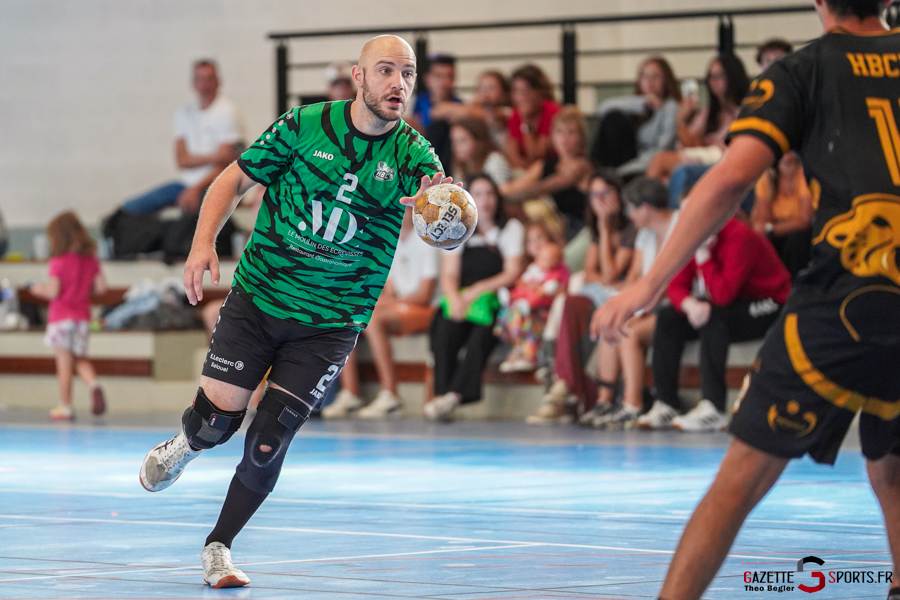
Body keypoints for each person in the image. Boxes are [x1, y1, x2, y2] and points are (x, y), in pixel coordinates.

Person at [594, 1, 900, 598]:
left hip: (852, 295)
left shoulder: (802, 71)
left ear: (819, 3)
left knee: (738, 482)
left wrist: (647, 283)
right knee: (890, 463)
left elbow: (731, 178)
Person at [138, 35, 447, 589]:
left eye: (408, 72)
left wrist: (439, 213)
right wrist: (202, 242)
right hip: (259, 299)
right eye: (385, 71)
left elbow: (441, 230)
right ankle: (187, 446)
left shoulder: (416, 157)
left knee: (267, 440)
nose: (398, 83)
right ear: (358, 77)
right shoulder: (303, 125)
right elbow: (232, 179)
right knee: (214, 426)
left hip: (330, 324)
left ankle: (219, 547)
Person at [643, 217, 791, 432]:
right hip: (732, 301)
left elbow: (723, 295)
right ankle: (667, 403)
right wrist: (690, 304)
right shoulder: (696, 234)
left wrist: (703, 257)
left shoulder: (739, 236)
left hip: (771, 302)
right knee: (668, 317)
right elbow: (676, 286)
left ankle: (713, 407)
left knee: (715, 316)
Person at [526, 170, 638, 425]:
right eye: (594, 195)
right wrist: (603, 274)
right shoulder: (595, 231)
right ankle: (562, 383)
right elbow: (590, 273)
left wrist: (605, 227)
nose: (599, 200)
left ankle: (559, 376)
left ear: (618, 196)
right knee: (567, 301)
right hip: (601, 294)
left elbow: (611, 271)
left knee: (574, 302)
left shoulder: (631, 228)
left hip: (620, 299)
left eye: (605, 193)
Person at [323, 205, 440, 419]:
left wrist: (390, 304)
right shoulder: (391, 243)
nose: (401, 213)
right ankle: (350, 393)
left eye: (407, 210)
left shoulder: (427, 241)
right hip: (401, 306)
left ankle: (391, 395)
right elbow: (390, 290)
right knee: (349, 314)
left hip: (427, 310)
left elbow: (425, 295)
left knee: (373, 319)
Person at [578, 177, 678, 430]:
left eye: (630, 208)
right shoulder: (646, 234)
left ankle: (633, 404)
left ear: (645, 207)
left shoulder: (679, 227)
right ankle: (605, 399)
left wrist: (640, 306)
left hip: (675, 302)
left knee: (628, 330)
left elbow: (675, 278)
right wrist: (622, 298)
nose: (628, 215)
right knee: (614, 319)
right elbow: (635, 276)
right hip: (653, 301)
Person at [425, 173, 525, 421]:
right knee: (445, 328)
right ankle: (440, 395)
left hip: (492, 300)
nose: (486, 200)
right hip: (463, 299)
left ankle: (456, 395)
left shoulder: (511, 228)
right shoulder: (458, 227)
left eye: (490, 193)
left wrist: (477, 290)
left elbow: (512, 272)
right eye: (479, 194)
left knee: (483, 334)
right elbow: (449, 275)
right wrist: (455, 298)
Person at [120, 60, 244, 215]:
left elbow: (227, 164)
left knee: (193, 214)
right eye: (200, 79)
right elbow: (182, 160)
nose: (205, 84)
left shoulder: (228, 111)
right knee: (131, 207)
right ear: (193, 83)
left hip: (219, 185)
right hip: (187, 184)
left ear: (218, 82)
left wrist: (195, 187)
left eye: (209, 79)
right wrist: (215, 156)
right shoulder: (184, 114)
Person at [28, 212, 107, 421]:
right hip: (82, 318)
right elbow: (101, 288)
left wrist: (37, 289)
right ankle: (94, 384)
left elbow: (53, 291)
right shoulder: (91, 260)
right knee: (80, 358)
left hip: (61, 318)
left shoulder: (58, 261)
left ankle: (65, 405)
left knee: (63, 362)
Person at [646, 54, 749, 184]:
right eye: (710, 77)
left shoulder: (745, 112)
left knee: (660, 160)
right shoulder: (709, 113)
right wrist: (682, 119)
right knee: (663, 176)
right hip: (704, 158)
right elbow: (690, 142)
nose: (714, 82)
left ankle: (644, 200)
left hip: (726, 162)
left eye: (719, 76)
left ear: (733, 77)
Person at [502, 106, 592, 241]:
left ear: (582, 137)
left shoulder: (582, 165)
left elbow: (544, 187)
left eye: (571, 132)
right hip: (553, 229)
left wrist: (506, 197)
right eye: (559, 132)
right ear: (552, 136)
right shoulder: (544, 165)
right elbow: (514, 186)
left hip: (581, 228)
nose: (564, 138)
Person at [495, 223, 569, 373]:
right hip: (525, 308)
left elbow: (563, 289)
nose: (535, 243)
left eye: (539, 237)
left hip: (545, 311)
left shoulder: (559, 267)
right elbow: (522, 283)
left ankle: (528, 356)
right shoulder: (530, 268)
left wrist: (545, 290)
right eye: (530, 240)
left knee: (528, 319)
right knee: (514, 311)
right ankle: (518, 351)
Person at [590, 56, 681, 177]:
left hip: (644, 165)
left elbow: (661, 150)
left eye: (656, 76)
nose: (650, 82)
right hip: (625, 159)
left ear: (666, 80)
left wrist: (621, 172)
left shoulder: (671, 107)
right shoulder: (638, 104)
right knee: (613, 118)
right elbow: (602, 110)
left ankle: (604, 175)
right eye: (645, 76)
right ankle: (598, 170)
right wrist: (642, 102)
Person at [749, 150, 814, 275]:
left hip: (799, 232)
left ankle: (794, 281)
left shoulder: (804, 175)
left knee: (797, 238)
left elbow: (805, 220)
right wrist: (766, 228)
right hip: (778, 229)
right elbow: (762, 218)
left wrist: (771, 228)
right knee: (759, 238)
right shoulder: (766, 178)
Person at [432, 70, 512, 149]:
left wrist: (472, 106)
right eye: (481, 87)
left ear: (504, 92)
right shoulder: (473, 109)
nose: (485, 92)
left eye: (491, 87)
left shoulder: (507, 112)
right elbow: (437, 111)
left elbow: (491, 117)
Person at [505, 64, 561, 170]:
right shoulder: (515, 114)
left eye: (527, 89)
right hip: (526, 172)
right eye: (516, 90)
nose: (522, 96)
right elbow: (513, 157)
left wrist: (526, 121)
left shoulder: (553, 112)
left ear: (539, 91)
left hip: (552, 167)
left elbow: (537, 155)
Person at [407, 54, 460, 166]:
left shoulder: (458, 104)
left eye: (449, 76)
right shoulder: (418, 102)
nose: (444, 82)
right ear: (427, 79)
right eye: (438, 76)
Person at [449, 117, 513, 186]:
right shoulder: (461, 165)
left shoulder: (495, 161)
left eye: (462, 141)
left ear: (479, 142)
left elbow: (500, 194)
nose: (456, 147)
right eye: (454, 141)